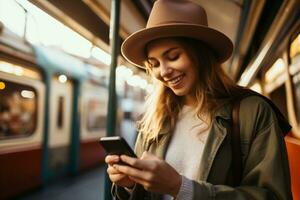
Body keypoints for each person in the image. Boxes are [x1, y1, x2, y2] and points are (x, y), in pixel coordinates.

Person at [105, 0, 293, 199]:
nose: (164, 71)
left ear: (201, 54)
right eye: (155, 64)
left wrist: (180, 187)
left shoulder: (253, 112)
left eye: (174, 56)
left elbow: (273, 196)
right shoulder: (156, 118)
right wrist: (130, 185)